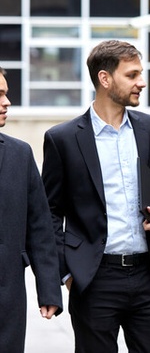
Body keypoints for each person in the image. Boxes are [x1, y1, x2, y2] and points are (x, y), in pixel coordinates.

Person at [42, 40, 150, 353]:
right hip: (94, 280)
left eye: (141, 73)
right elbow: (49, 213)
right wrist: (68, 274)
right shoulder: (62, 139)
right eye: (132, 75)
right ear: (105, 79)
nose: (142, 82)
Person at [0, 67, 62, 353]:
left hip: (7, 297)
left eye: (6, 94)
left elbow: (39, 225)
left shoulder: (20, 154)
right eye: (0, 95)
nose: (7, 102)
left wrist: (48, 288)